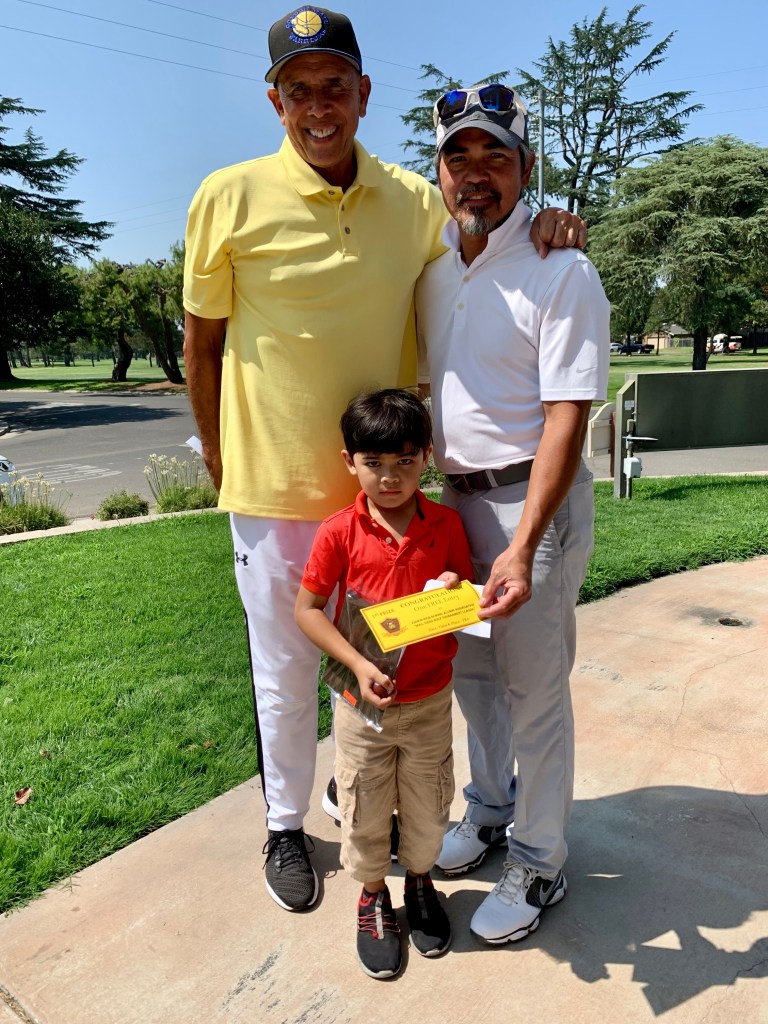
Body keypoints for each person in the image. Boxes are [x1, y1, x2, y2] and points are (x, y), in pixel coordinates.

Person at [183, 5, 588, 914]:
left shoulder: (413, 200)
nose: (317, 106)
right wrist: (221, 462)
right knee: (285, 669)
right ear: (276, 102)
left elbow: (489, 219)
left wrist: (557, 221)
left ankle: (396, 795)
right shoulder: (226, 195)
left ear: (363, 94)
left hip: (391, 498)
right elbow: (200, 346)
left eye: (334, 86)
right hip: (274, 491)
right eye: (298, 90)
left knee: (405, 655)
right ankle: (286, 825)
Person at [415, 82, 610, 945]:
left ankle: (539, 859)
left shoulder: (561, 269)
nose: (477, 172)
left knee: (534, 692)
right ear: (439, 171)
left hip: (534, 506)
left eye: (497, 155)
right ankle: (492, 810)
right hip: (454, 509)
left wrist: (523, 546)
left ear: (526, 169)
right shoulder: (432, 272)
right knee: (475, 681)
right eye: (459, 155)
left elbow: (569, 415)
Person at [294, 388, 474, 979]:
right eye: (373, 463)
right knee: (364, 806)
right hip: (359, 706)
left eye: (404, 461)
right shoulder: (338, 532)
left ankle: (420, 883)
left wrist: (453, 590)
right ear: (350, 461)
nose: (390, 477)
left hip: (429, 700)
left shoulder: (445, 525)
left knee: (428, 805)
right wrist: (359, 663)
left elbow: (466, 594)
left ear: (427, 457)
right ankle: (373, 896)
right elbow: (308, 611)